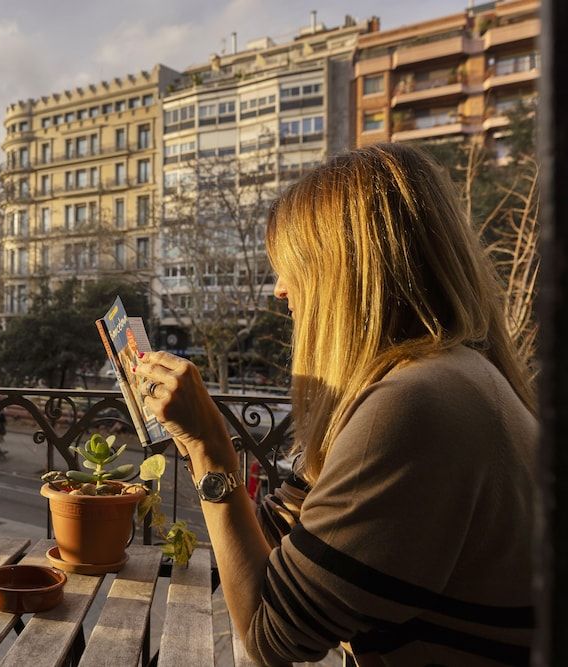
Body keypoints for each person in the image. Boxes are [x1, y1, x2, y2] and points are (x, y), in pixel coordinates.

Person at [135, 143, 537, 666]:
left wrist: (212, 453)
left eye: (291, 268)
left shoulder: (418, 406)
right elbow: (286, 549)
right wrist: (196, 438)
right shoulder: (455, 377)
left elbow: (270, 635)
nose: (279, 291)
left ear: (347, 271)